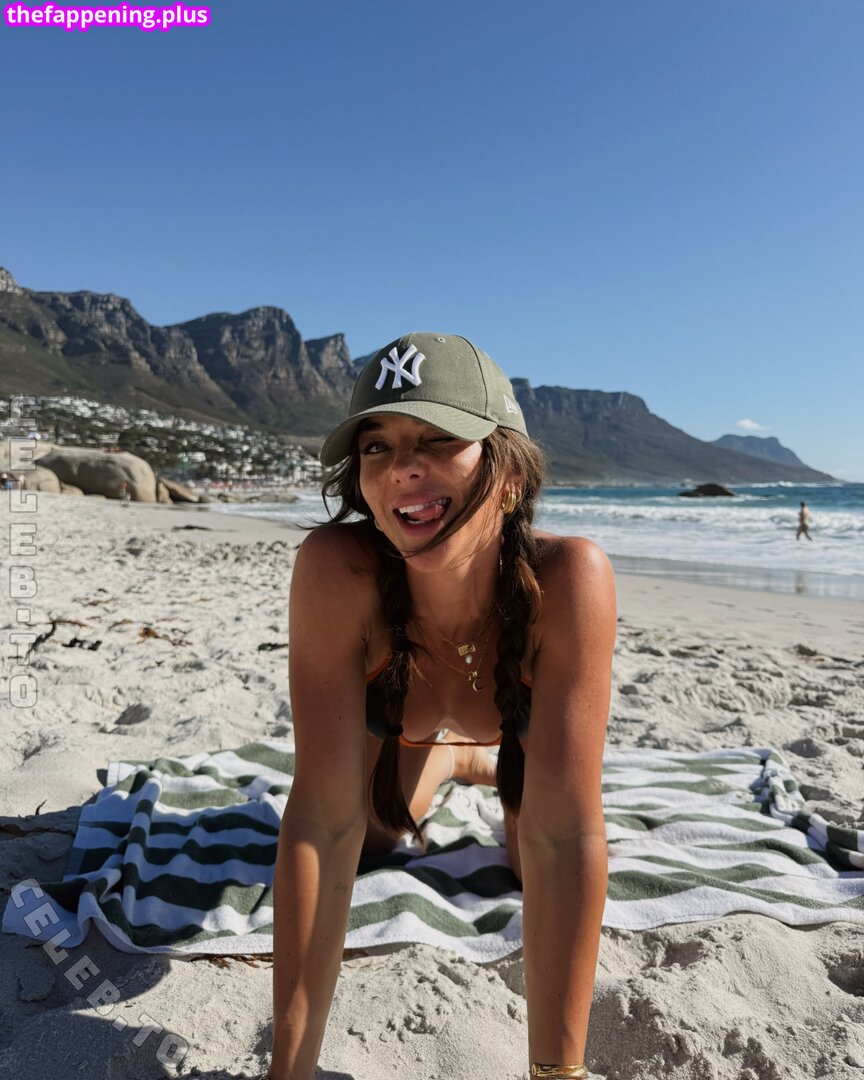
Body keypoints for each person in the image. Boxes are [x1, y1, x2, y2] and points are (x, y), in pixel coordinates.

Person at [270, 333, 616, 1080]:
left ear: (511, 473)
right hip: (403, 730)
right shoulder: (338, 572)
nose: (403, 466)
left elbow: (566, 837)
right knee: (377, 835)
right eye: (377, 446)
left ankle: (474, 756)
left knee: (529, 859)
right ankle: (454, 757)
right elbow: (322, 820)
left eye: (438, 438)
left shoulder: (569, 579)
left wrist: (557, 1075)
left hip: (513, 733)